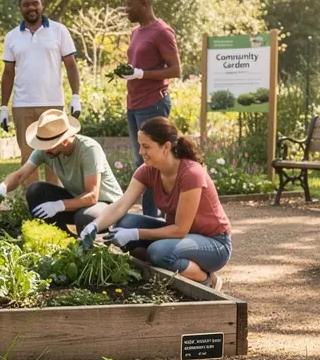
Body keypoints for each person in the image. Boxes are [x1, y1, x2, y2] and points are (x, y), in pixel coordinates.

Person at [78, 116, 231, 291]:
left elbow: (180, 229)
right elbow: (121, 205)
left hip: (214, 243)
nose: (140, 151)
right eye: (140, 145)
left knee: (158, 252)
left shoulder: (191, 174)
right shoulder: (148, 170)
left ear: (166, 147)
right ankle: (169, 267)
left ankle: (207, 280)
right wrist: (95, 225)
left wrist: (136, 234)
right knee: (125, 223)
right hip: (181, 239)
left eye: (146, 146)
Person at [0, 108, 122, 233]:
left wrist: (59, 205)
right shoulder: (45, 151)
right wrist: (3, 187)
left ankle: (96, 245)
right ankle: (62, 239)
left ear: (64, 142)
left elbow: (92, 196)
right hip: (78, 200)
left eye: (49, 145)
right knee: (35, 190)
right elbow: (20, 175)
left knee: (85, 217)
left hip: (107, 204)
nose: (45, 150)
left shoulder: (89, 150)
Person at [0, 0, 81, 172]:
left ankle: (54, 192)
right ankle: (31, 192)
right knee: (27, 158)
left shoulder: (59, 31)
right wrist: (3, 107)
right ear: (20, 8)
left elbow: (71, 66)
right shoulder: (12, 36)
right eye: (26, 4)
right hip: (22, 105)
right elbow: (8, 73)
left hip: (53, 104)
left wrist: (75, 97)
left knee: (55, 156)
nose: (31, 8)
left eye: (35, 3)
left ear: (42, 5)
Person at [121, 0, 181, 217]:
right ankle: (150, 217)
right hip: (134, 104)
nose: (126, 9)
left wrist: (141, 74)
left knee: (156, 160)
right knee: (142, 162)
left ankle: (162, 215)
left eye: (130, 5)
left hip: (153, 103)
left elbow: (175, 70)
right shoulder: (136, 32)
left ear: (144, 3)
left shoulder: (162, 32)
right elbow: (138, 65)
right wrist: (130, 73)